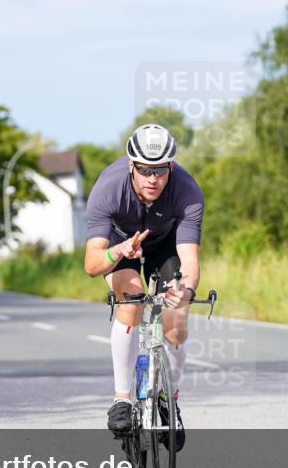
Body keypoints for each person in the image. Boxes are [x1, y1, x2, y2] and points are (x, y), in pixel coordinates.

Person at [83, 124, 205, 451]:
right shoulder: (108, 189)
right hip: (119, 245)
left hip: (164, 247)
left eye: (161, 170)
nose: (153, 179)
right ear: (131, 166)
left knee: (176, 320)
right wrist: (119, 250)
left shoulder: (187, 191)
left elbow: (189, 260)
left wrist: (187, 290)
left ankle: (169, 400)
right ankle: (122, 399)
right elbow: (92, 265)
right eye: (145, 170)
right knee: (132, 299)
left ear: (172, 167)